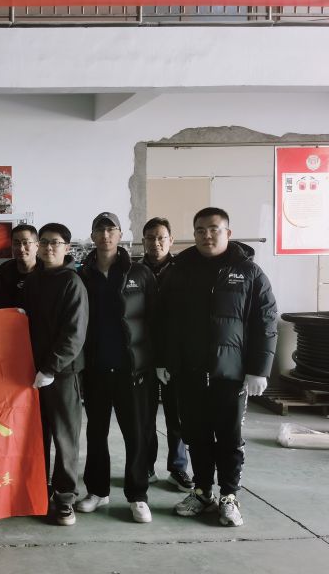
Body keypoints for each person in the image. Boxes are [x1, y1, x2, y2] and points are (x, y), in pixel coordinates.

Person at [159, 207, 277, 527]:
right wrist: (164, 361)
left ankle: (229, 495)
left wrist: (259, 369)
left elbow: (266, 322)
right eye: (200, 230)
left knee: (229, 436)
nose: (206, 235)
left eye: (213, 229)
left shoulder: (249, 272)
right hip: (190, 371)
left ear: (228, 232)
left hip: (231, 373)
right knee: (196, 435)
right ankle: (201, 492)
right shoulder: (180, 270)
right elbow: (166, 321)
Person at [76, 212, 156, 524]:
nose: (105, 235)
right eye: (100, 230)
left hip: (131, 370)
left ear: (120, 234)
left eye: (111, 229)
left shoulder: (139, 273)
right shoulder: (83, 274)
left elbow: (156, 319)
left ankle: (138, 495)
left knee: (136, 435)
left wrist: (155, 362)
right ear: (92, 236)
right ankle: (97, 491)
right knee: (96, 433)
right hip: (96, 368)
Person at [23, 223, 88, 527]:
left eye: (56, 243)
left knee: (64, 439)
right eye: (44, 242)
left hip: (61, 374)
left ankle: (65, 498)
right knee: (36, 438)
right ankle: (39, 491)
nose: (49, 248)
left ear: (67, 248)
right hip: (31, 373)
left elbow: (74, 334)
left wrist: (51, 367)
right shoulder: (33, 280)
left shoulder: (72, 282)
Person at [140, 217, 193, 492]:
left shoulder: (184, 271)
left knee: (177, 416)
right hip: (143, 355)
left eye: (161, 237)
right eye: (150, 238)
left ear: (171, 240)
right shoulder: (134, 272)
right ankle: (146, 466)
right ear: (143, 241)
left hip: (176, 356)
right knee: (145, 416)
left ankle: (178, 468)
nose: (156, 243)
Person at [0, 224, 42, 309]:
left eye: (26, 243)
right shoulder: (4, 271)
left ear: (37, 246)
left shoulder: (47, 271)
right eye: (16, 243)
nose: (21, 248)